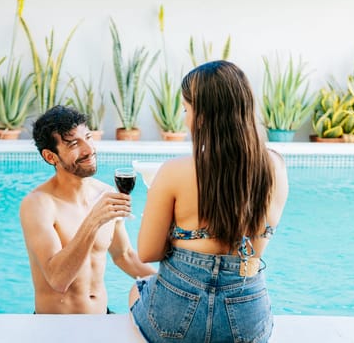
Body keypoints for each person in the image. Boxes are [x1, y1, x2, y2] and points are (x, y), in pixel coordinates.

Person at [129, 60, 289, 342]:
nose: (184, 118)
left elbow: (148, 252)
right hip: (246, 316)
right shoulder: (275, 167)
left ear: (202, 115)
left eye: (186, 109)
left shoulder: (174, 172)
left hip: (176, 315)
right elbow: (256, 247)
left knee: (137, 289)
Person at [20, 105, 155, 314]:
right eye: (74, 144)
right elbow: (58, 279)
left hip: (102, 317)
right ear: (50, 156)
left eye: (88, 137)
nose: (89, 149)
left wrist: (168, 285)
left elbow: (124, 256)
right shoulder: (38, 204)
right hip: (56, 327)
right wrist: (94, 221)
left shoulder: (105, 193)